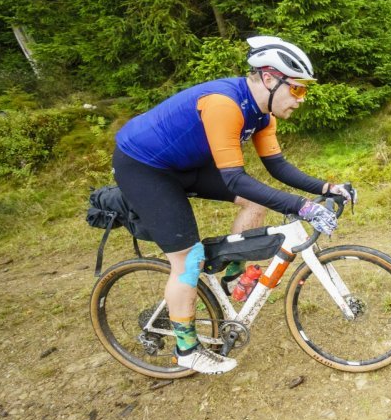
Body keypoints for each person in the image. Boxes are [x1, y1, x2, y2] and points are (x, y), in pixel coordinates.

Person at [112, 36, 356, 375]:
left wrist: (327, 188)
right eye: (298, 90)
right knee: (188, 257)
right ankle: (186, 349)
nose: (301, 99)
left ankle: (232, 279)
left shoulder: (262, 114)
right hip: (145, 168)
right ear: (270, 79)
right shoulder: (224, 104)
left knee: (256, 202)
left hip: (185, 164)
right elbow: (234, 179)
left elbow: (277, 167)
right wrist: (302, 206)